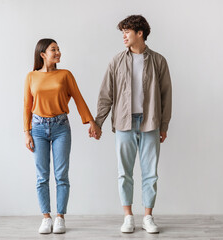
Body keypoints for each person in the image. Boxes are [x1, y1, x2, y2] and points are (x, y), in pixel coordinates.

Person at [91, 15, 172, 234]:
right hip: (124, 123)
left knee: (150, 173)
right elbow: (105, 95)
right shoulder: (116, 61)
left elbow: (166, 96)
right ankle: (128, 217)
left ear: (140, 33)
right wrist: (98, 122)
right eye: (123, 32)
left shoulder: (158, 61)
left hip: (151, 123)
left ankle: (148, 217)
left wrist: (164, 125)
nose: (124, 36)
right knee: (124, 172)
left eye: (127, 31)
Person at [24, 38, 101, 234]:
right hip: (38, 128)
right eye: (54, 50)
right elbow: (27, 106)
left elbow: (78, 97)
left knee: (61, 176)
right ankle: (46, 218)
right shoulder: (31, 76)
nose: (58, 53)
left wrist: (91, 121)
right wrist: (27, 132)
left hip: (61, 128)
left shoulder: (65, 75)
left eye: (58, 49)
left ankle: (60, 217)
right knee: (42, 177)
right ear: (43, 54)